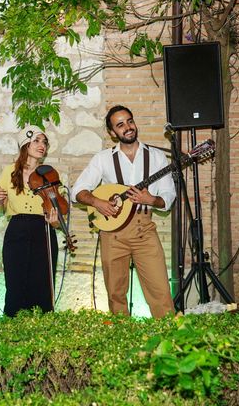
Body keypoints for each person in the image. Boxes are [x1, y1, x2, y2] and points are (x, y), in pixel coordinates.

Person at [72, 105, 175, 318]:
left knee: (161, 294)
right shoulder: (103, 159)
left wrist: (151, 199)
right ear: (112, 133)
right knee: (116, 295)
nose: (127, 127)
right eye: (120, 125)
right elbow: (77, 192)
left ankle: (168, 344)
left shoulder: (155, 156)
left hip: (144, 230)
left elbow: (168, 195)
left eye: (129, 121)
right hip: (112, 235)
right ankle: (123, 343)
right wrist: (97, 202)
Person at [0, 126, 60, 317]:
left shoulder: (50, 174)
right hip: (17, 229)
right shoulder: (9, 172)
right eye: (37, 141)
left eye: (45, 142)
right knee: (15, 285)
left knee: (43, 286)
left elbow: (58, 217)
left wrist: (54, 221)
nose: (42, 145)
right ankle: (12, 335)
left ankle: (41, 336)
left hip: (43, 230)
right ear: (25, 144)